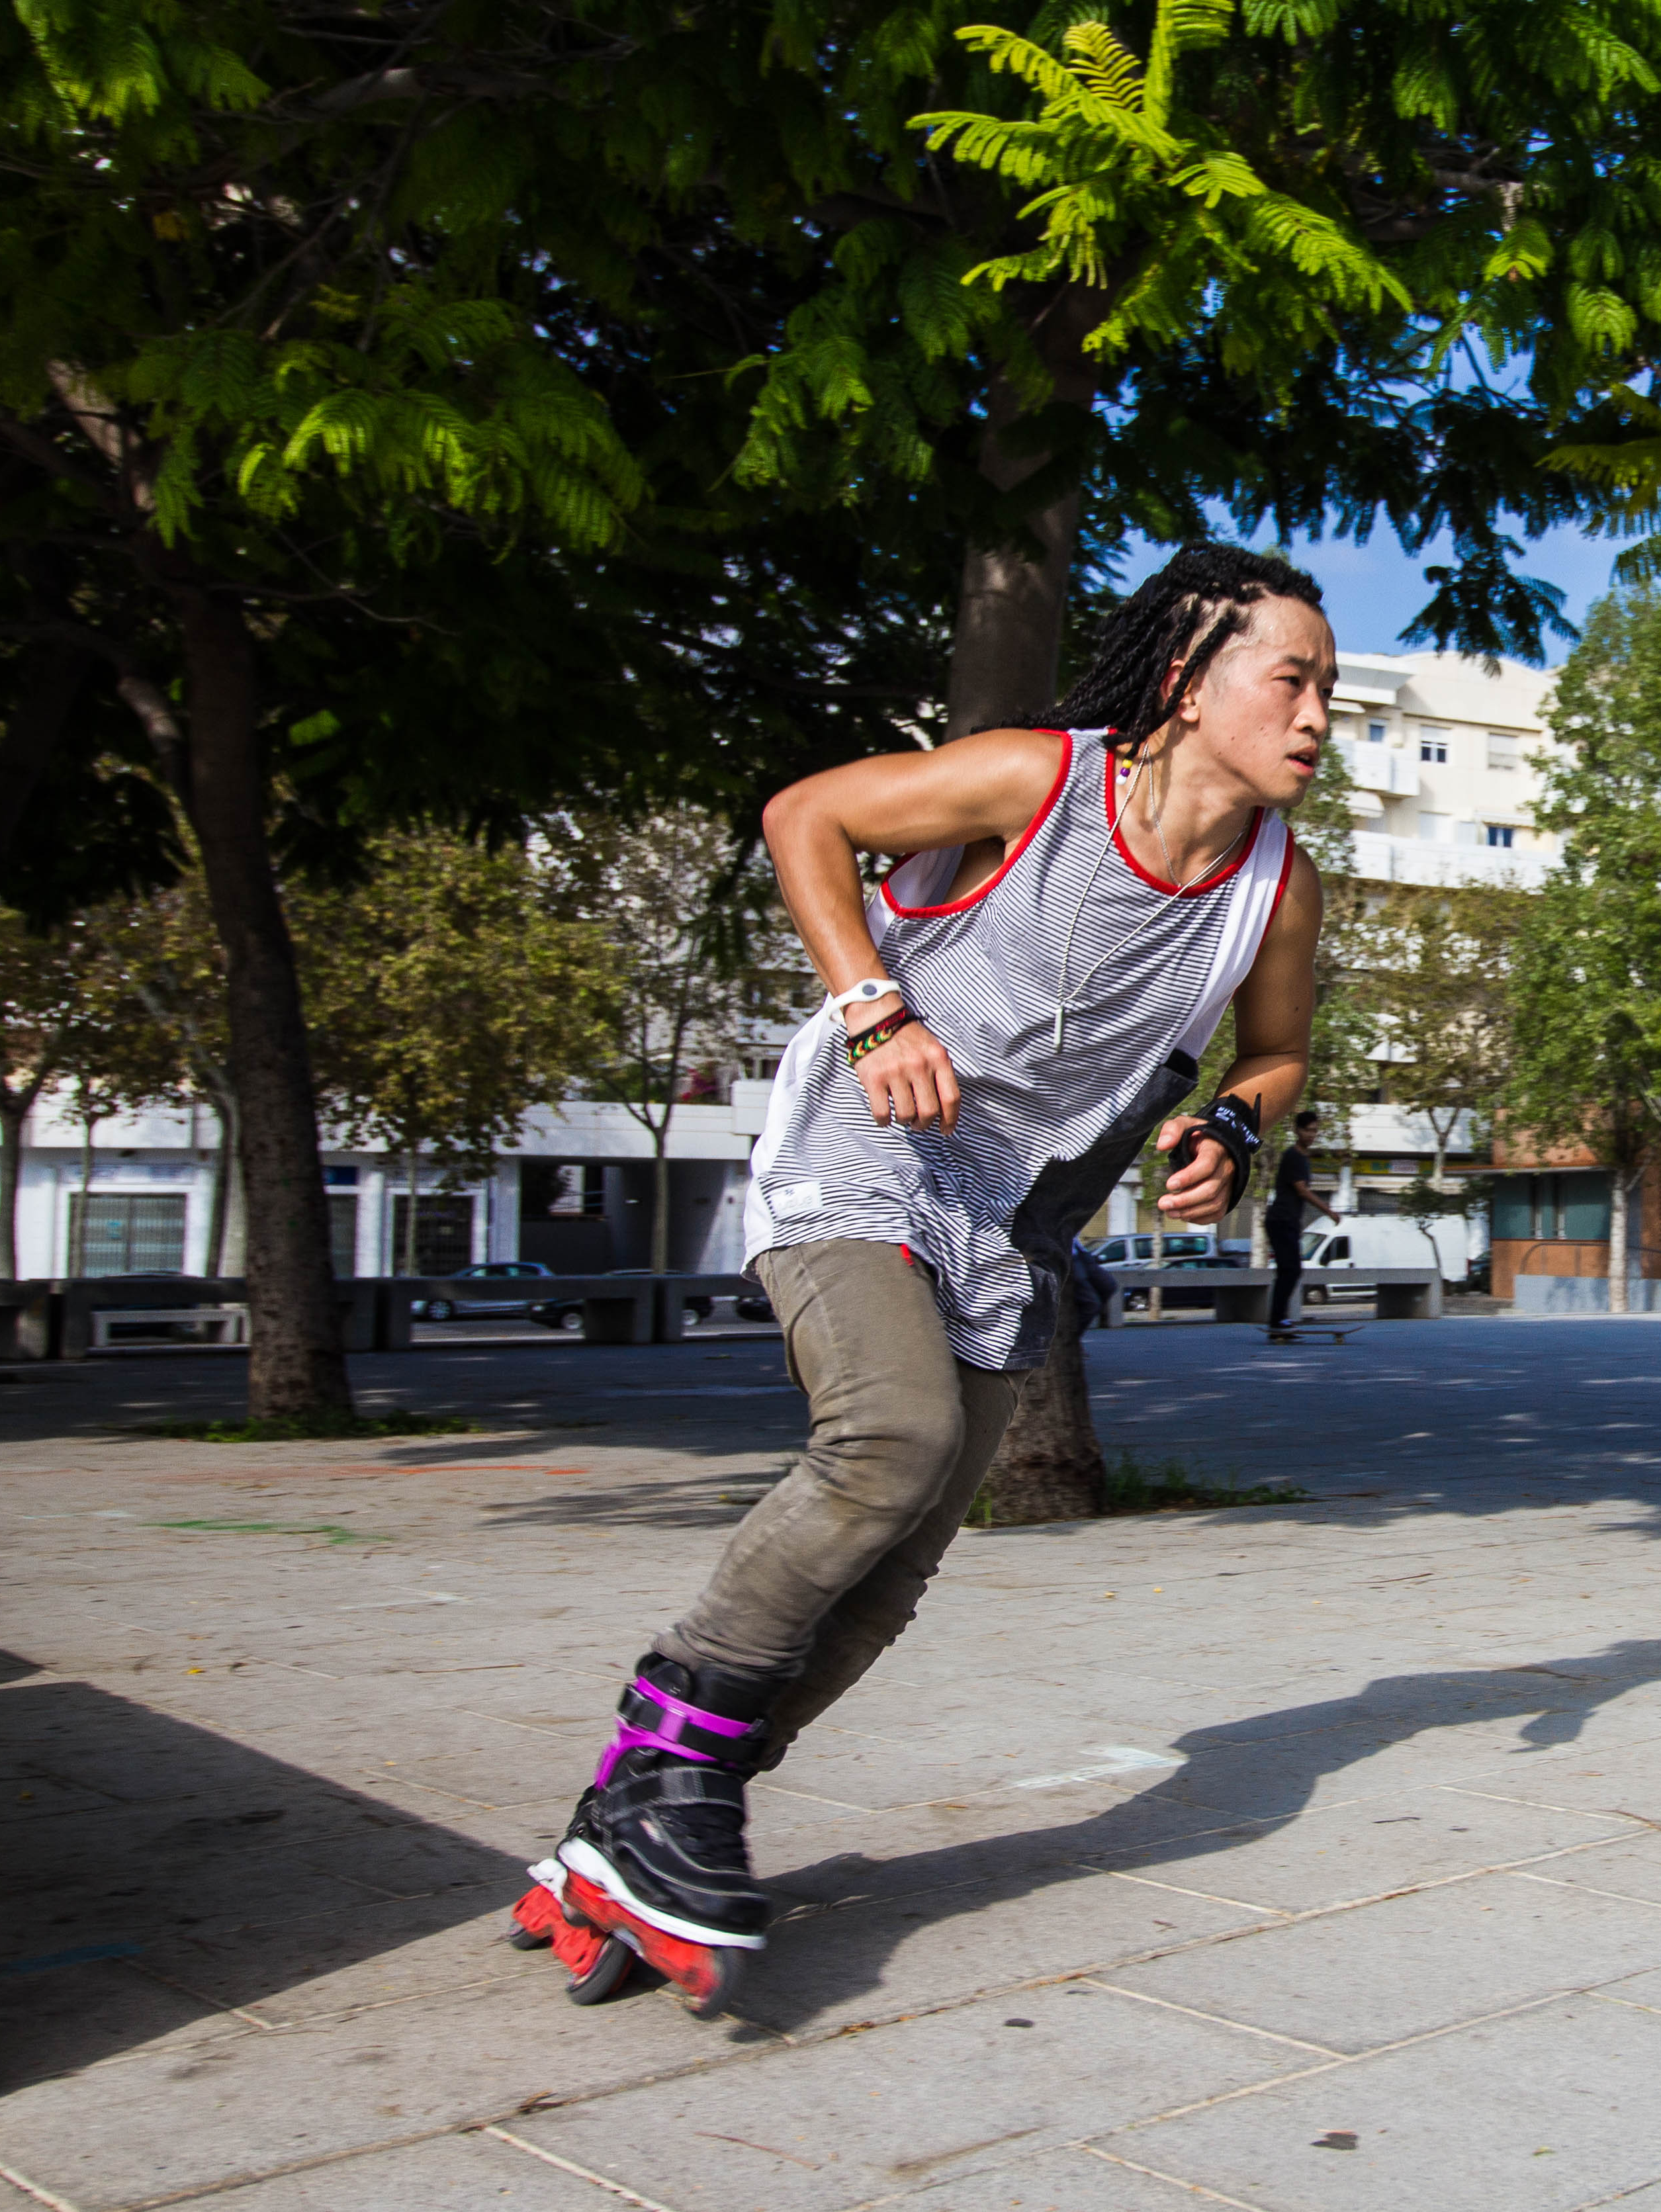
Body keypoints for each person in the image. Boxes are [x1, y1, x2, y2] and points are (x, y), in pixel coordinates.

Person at [506, 546, 1332, 2017]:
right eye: (1293, 677)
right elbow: (804, 815)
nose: (1321, 712)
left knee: (887, 1582)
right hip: (865, 1155)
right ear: (1192, 680)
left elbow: (1275, 1051)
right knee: (887, 1440)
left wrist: (1231, 1123)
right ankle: (666, 1782)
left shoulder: (1271, 889)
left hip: (1014, 1221)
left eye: (1330, 687)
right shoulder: (1035, 778)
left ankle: (643, 1819)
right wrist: (875, 1007)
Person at [1265, 1109, 1341, 1334]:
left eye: (1315, 1131)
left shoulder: (1303, 1158)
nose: (1312, 1135)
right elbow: (1302, 1191)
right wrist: (1329, 1211)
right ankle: (1277, 1320)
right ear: (1297, 1130)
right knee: (1291, 1270)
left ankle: (1279, 1319)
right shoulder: (1292, 1156)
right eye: (1308, 1130)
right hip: (1280, 1221)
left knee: (1289, 1271)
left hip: (1289, 1222)